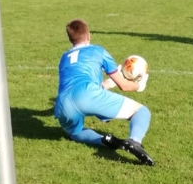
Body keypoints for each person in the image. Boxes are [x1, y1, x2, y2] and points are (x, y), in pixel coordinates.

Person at [54, 19, 154, 165]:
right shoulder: (98, 51)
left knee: (74, 133)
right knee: (142, 112)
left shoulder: (64, 58)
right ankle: (135, 141)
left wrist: (108, 83)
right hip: (89, 95)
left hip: (63, 103)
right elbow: (124, 86)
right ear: (88, 35)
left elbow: (77, 83)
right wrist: (140, 86)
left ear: (70, 38)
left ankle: (105, 141)